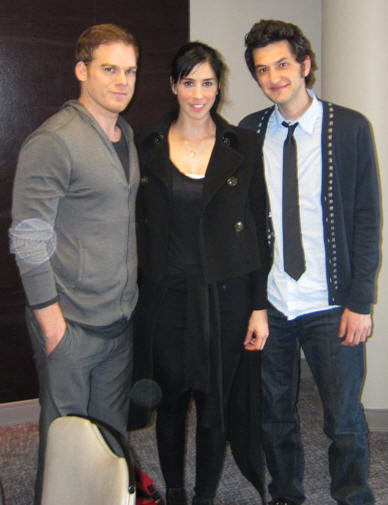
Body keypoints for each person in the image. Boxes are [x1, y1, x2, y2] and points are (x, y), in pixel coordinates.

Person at [240, 19, 380, 505]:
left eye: (282, 64)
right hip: (273, 302)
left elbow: (367, 220)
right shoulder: (249, 132)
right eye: (263, 69)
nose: (274, 76)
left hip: (332, 302)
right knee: (274, 413)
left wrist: (360, 301)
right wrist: (251, 301)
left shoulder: (350, 128)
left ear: (304, 64)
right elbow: (244, 223)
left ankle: (354, 495)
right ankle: (286, 495)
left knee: (343, 419)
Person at [9, 24, 140, 505]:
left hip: (118, 321)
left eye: (129, 70)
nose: (122, 81)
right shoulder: (54, 140)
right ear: (82, 70)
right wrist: (50, 322)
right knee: (65, 438)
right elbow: (28, 237)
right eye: (109, 69)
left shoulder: (124, 134)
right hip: (70, 324)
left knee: (107, 438)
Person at [135, 42, 269, 505]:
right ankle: (174, 491)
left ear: (218, 86)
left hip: (226, 296)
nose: (198, 93)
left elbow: (258, 228)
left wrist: (258, 306)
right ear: (174, 85)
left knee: (215, 406)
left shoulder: (243, 145)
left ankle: (206, 495)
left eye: (207, 82)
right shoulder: (145, 144)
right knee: (170, 400)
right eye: (188, 81)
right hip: (166, 297)